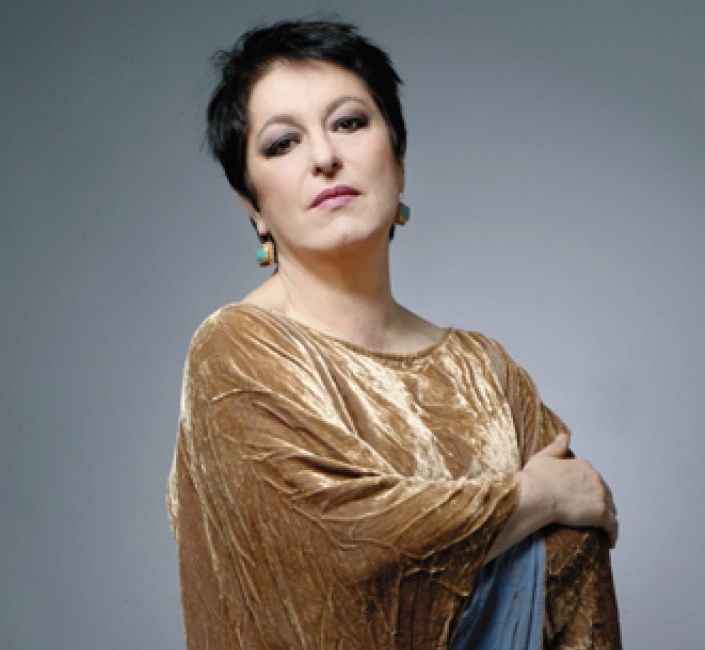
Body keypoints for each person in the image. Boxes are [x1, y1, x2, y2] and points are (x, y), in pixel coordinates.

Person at [167, 19, 622, 649]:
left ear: (399, 161)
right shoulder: (236, 353)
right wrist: (533, 498)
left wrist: (542, 514)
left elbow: (576, 558)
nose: (324, 157)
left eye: (349, 122)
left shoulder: (486, 371)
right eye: (283, 143)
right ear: (252, 203)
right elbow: (338, 551)